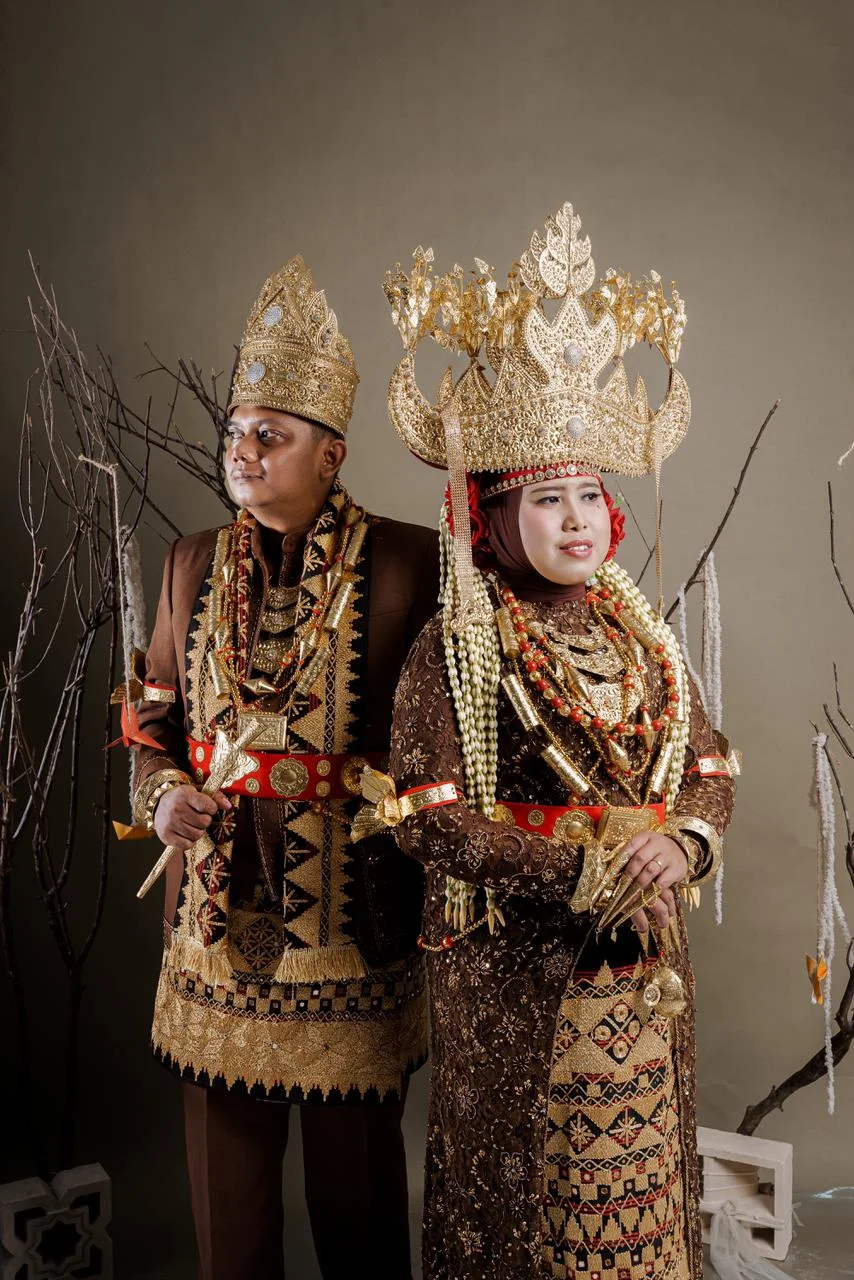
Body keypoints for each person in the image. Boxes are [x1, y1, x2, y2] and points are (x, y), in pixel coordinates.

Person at [366, 203, 736, 1279]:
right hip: (515, 972)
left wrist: (685, 843)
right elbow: (428, 822)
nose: (575, 519)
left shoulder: (639, 635)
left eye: (588, 494)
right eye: (545, 499)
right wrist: (580, 871)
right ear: (491, 515)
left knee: (641, 1191)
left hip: (646, 964)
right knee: (533, 1204)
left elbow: (708, 763)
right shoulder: (455, 643)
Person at [131, 255, 437, 1280]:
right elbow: (151, 720)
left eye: (271, 434)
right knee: (227, 1195)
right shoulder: (190, 561)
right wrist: (163, 793)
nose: (243, 450)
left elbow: (448, 733)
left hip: (355, 911)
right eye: (235, 432)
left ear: (331, 453)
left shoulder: (410, 561)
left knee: (357, 1193)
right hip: (214, 914)